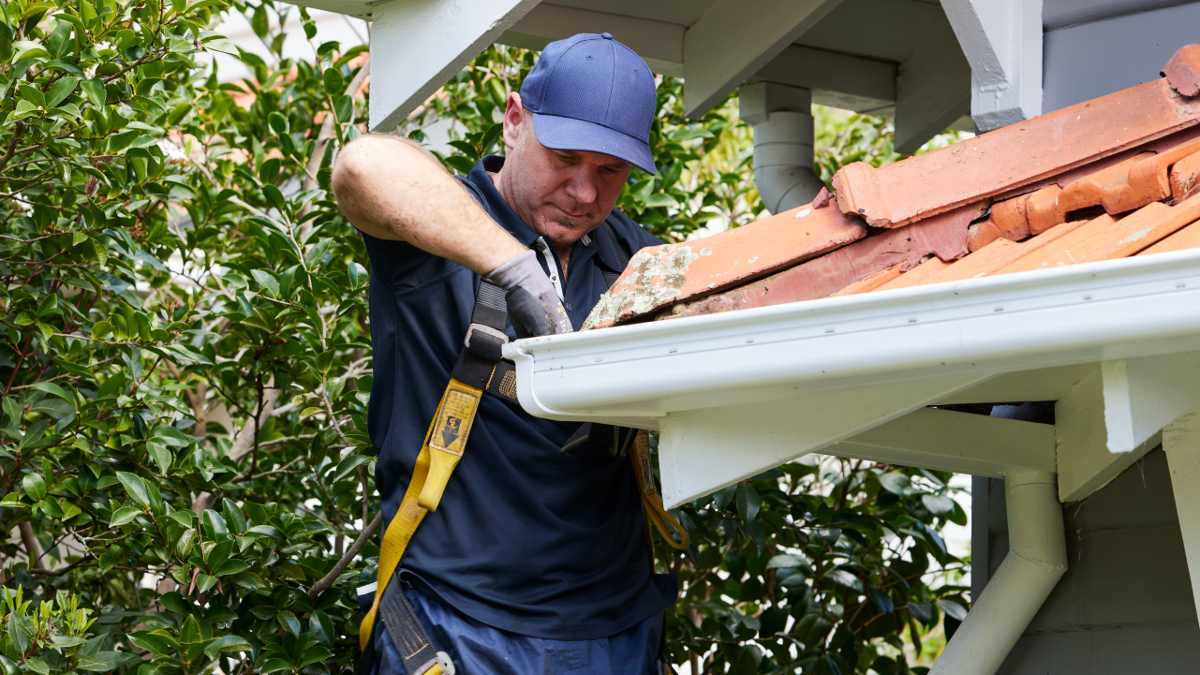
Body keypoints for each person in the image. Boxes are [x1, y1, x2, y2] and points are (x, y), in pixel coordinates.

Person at [331, 32, 677, 674]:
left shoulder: (636, 259)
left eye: (610, 171)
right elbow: (361, 167)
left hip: (617, 633)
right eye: (565, 158)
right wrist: (511, 266)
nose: (582, 192)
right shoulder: (436, 232)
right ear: (515, 120)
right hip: (458, 628)